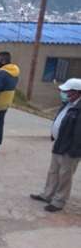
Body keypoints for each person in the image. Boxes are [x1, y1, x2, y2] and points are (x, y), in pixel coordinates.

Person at [31, 78, 81, 213]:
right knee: (53, 172)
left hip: (70, 150)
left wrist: (73, 150)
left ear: (77, 93)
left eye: (67, 91)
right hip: (59, 144)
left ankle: (59, 201)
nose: (63, 94)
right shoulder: (67, 104)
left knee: (65, 176)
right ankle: (47, 195)